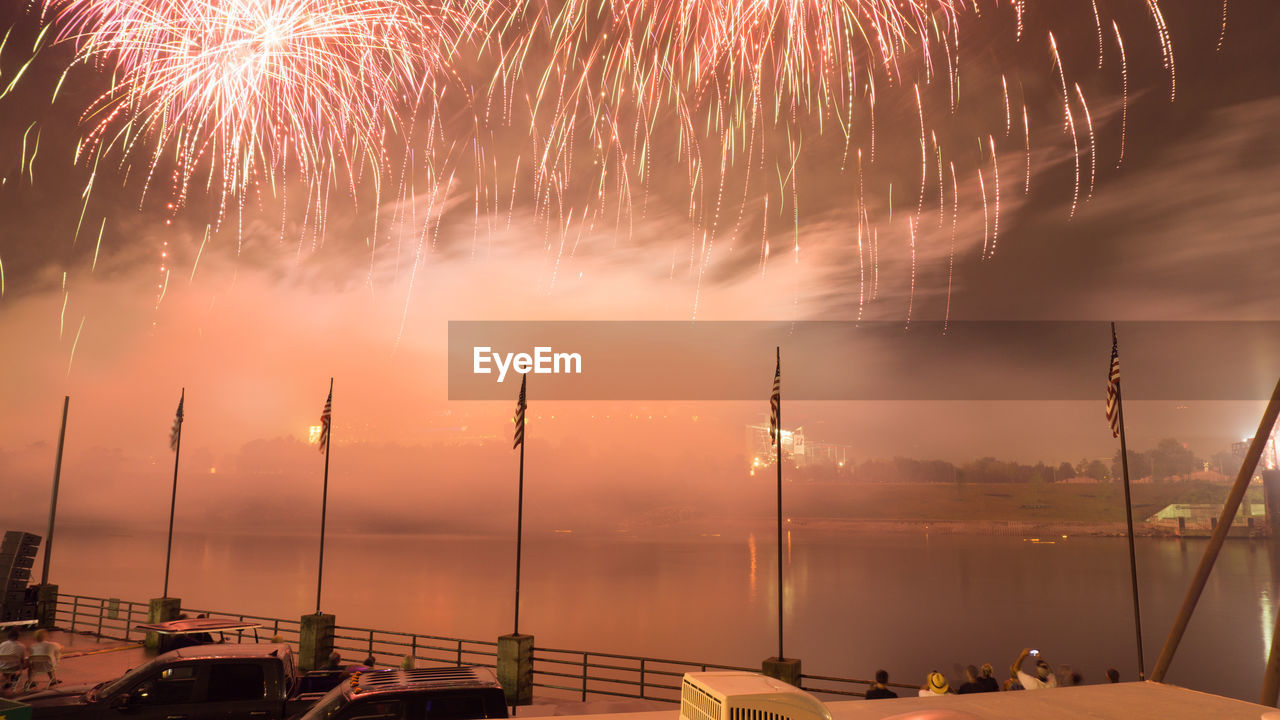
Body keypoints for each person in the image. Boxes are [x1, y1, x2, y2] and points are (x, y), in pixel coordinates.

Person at [0, 630, 27, 695]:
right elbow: (22, 660)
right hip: (15, 667)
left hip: (2, 667)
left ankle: (9, 680)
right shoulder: (21, 646)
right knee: (27, 662)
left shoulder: (2, 644)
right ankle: (29, 682)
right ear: (18, 637)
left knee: (6, 665)